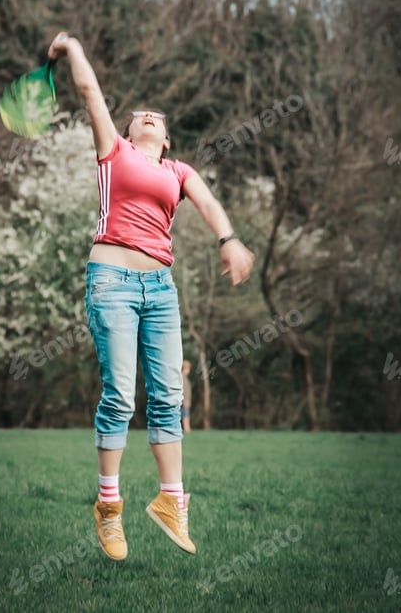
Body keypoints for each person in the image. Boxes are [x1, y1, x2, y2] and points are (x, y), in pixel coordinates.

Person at [47, 31, 255, 561]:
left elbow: (208, 204)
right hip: (112, 281)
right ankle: (109, 508)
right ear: (125, 129)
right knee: (119, 394)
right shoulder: (112, 153)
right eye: (138, 113)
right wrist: (71, 48)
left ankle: (170, 500)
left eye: (156, 118)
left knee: (168, 398)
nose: (145, 116)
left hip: (161, 289)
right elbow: (91, 93)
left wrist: (228, 240)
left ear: (166, 140)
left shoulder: (178, 171)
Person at [181, 359, 192, 433]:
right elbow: (183, 390)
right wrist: (184, 400)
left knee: (185, 414)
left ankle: (187, 427)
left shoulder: (184, 377)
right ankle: (186, 428)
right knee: (185, 414)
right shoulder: (182, 378)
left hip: (186, 400)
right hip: (184, 400)